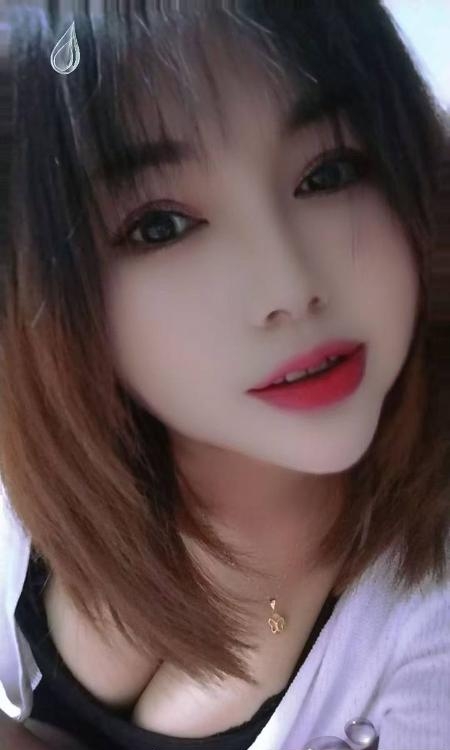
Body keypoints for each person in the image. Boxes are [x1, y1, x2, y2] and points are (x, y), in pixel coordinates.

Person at [1, 2, 450, 749]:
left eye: (329, 172)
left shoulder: (427, 623)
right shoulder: (38, 462)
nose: (289, 287)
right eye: (161, 225)